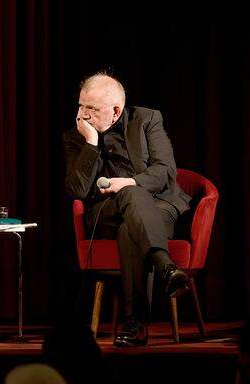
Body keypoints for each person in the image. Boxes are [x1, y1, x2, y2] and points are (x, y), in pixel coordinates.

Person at [64, 71, 191, 347]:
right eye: (81, 106)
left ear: (116, 111)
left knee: (128, 227)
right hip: (105, 212)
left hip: (157, 207)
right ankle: (166, 267)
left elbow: (164, 172)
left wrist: (130, 182)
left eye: (92, 109)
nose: (83, 115)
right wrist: (91, 144)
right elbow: (77, 191)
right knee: (128, 202)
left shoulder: (147, 120)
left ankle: (135, 323)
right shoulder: (77, 136)